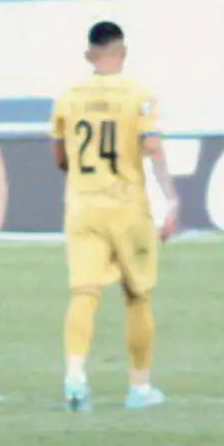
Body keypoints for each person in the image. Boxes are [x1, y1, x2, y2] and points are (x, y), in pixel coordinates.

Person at [49, 21, 180, 412]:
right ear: (122, 52)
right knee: (137, 295)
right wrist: (170, 200)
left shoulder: (69, 96)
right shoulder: (138, 95)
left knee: (83, 292)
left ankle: (75, 376)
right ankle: (139, 388)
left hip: (83, 205)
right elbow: (153, 148)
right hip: (127, 208)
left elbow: (59, 156)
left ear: (90, 55)